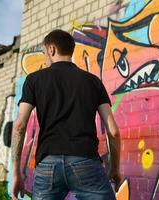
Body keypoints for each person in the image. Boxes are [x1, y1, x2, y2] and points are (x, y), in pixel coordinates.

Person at [11, 29, 121, 200]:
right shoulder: (93, 82)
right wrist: (115, 167)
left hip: (48, 164)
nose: (44, 58)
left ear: (51, 50)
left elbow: (19, 126)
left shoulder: (34, 79)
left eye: (43, 53)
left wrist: (17, 172)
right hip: (86, 161)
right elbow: (113, 131)